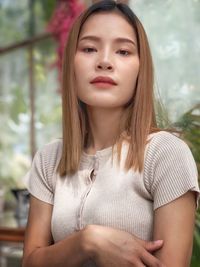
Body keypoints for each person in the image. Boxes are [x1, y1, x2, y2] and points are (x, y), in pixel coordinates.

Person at [22, 1, 200, 266]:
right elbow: (29, 262)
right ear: (71, 63)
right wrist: (87, 242)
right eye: (89, 48)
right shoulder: (49, 159)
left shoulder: (166, 154)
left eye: (123, 51)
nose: (105, 61)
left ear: (141, 69)